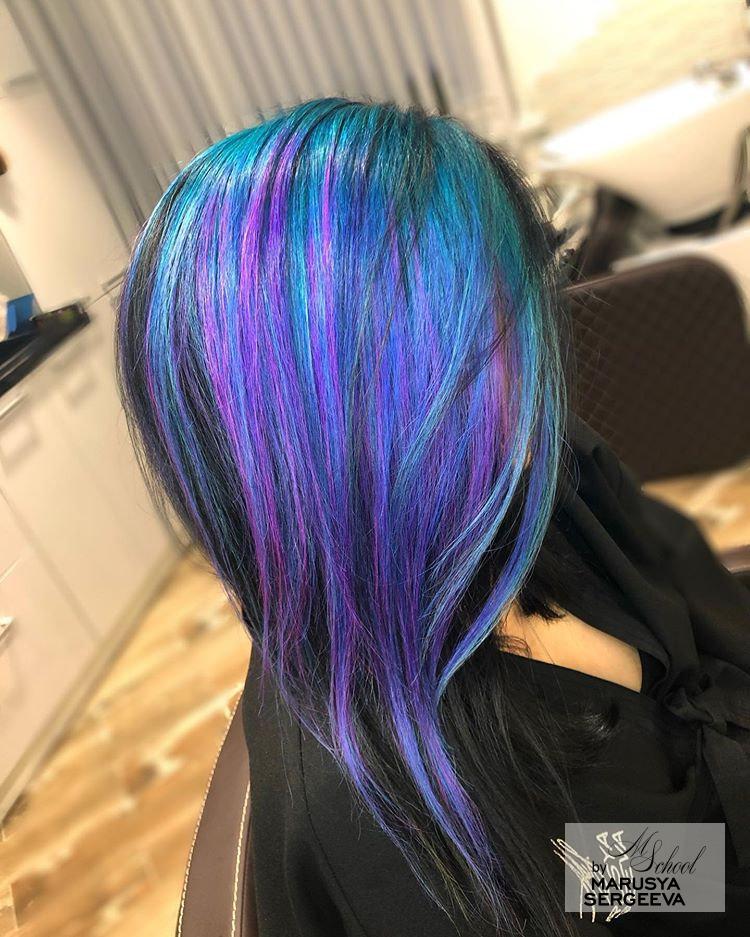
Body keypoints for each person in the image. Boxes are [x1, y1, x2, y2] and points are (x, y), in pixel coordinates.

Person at [116, 99, 750, 936]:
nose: (537, 346)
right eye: (496, 322)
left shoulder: (530, 472)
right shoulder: (416, 839)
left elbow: (695, 602)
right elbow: (655, 881)